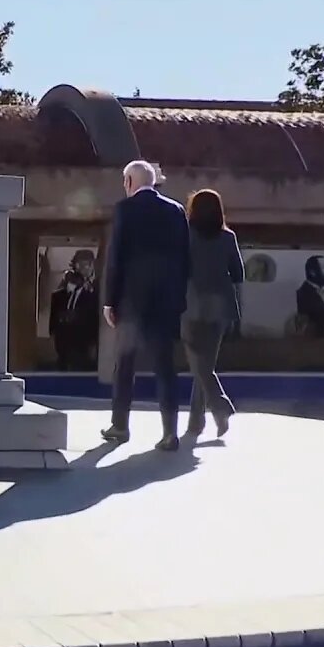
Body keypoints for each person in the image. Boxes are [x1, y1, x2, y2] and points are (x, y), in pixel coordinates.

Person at [101, 160, 191, 451]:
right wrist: (178, 299)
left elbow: (116, 258)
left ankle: (120, 425)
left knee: (124, 365)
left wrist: (110, 301)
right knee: (165, 367)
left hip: (132, 301)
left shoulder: (125, 210)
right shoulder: (176, 210)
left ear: (129, 181)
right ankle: (170, 432)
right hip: (165, 302)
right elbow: (186, 260)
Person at [181, 189, 243, 437]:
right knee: (205, 364)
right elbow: (238, 273)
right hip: (220, 306)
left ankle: (219, 406)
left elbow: (177, 267)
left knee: (199, 366)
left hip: (190, 302)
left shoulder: (184, 235)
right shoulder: (228, 237)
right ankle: (197, 423)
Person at [48, 269, 98, 370]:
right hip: (62, 336)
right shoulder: (58, 296)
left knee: (79, 363)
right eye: (70, 280)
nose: (71, 283)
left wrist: (93, 339)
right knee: (62, 362)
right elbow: (54, 314)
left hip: (81, 337)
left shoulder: (89, 297)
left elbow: (92, 317)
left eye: (74, 280)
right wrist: (53, 330)